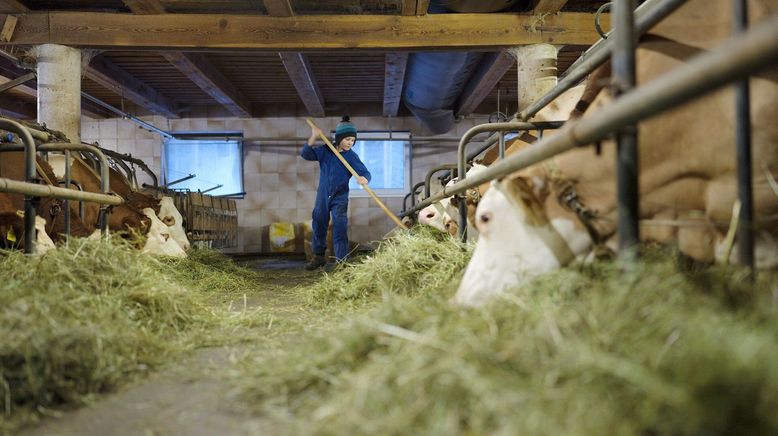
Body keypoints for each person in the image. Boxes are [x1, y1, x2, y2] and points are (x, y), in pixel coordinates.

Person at [301, 116, 371, 270]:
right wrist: (313, 136)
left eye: (353, 140)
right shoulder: (326, 151)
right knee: (319, 223)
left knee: (340, 227)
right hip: (323, 196)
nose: (350, 143)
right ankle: (318, 256)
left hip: (340, 197)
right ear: (339, 138)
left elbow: (365, 172)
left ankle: (342, 261)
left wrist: (365, 179)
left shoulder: (351, 156)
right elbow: (305, 154)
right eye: (347, 139)